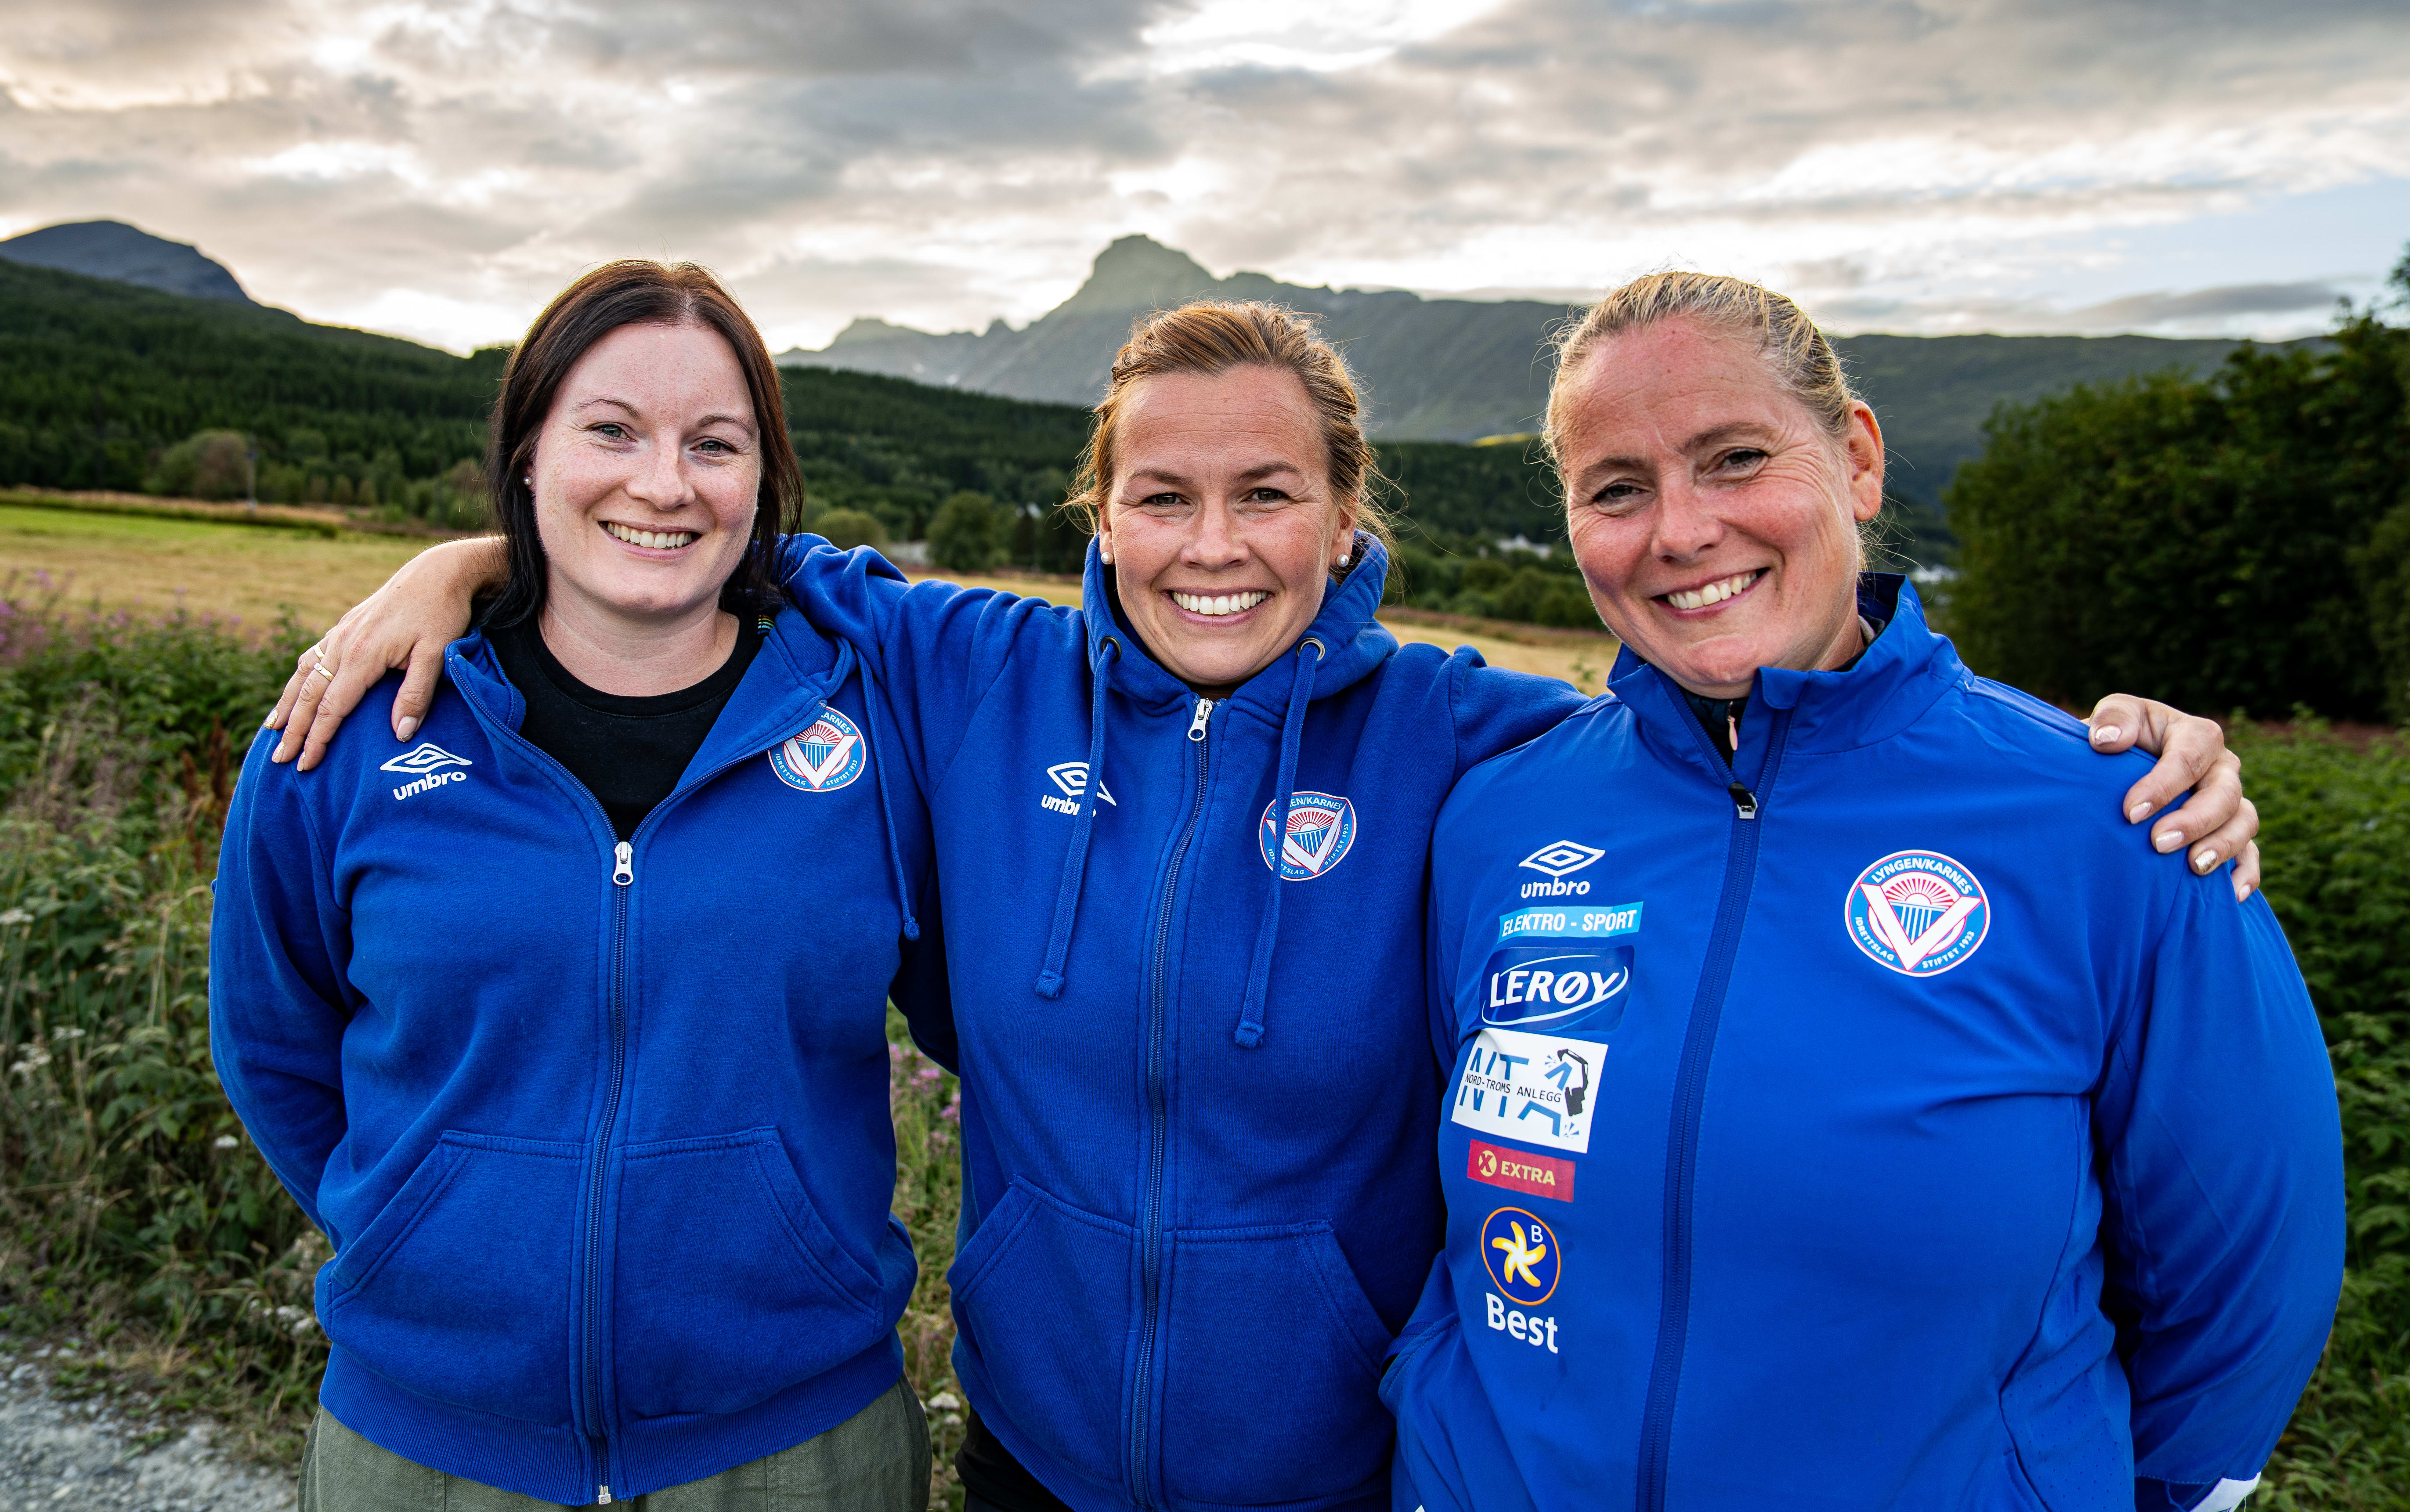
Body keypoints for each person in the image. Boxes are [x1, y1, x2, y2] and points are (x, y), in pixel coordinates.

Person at [264, 300, 2262, 1512]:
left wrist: (2095, 759)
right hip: (1037, 1461)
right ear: (1100, 510)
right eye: (1161, 496)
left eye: (1268, 493)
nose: (1210, 545)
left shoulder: (1484, 744)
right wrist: (464, 564)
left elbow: (1742, 746)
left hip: (1339, 1472)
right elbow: (706, 540)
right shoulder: (965, 674)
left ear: (1346, 512)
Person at [1391, 273, 2342, 1512]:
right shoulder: (1500, 816)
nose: (1680, 531)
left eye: (1735, 460)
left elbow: (2247, 1279)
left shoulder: (2117, 822)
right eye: (1616, 489)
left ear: (1858, 460)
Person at [209, 262, 939, 1511]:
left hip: (797, 1445)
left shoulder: (879, 741)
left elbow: (999, 1017)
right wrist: (428, 1233)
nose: (664, 483)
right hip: (429, 1444)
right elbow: (272, 1043)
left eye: (715, 444)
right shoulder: (354, 733)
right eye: (611, 430)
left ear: (764, 482)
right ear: (529, 452)